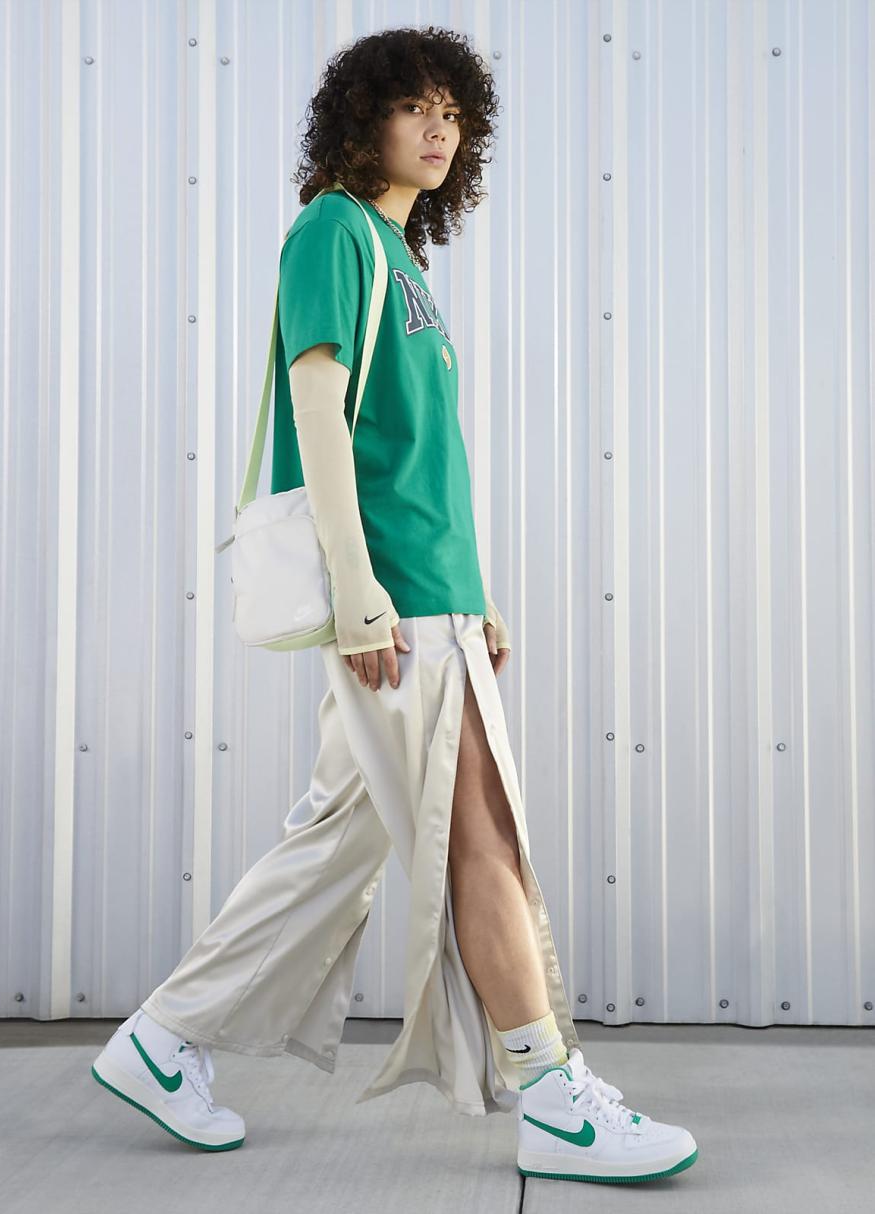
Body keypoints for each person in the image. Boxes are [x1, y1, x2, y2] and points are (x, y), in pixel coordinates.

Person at [90, 26, 698, 1184]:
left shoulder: (400, 257)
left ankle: (160, 1040)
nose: (437, 128)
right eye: (414, 106)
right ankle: (552, 1097)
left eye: (453, 114)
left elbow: (418, 455)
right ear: (361, 117)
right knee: (482, 838)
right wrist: (362, 587)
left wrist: (478, 591)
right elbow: (317, 409)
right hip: (395, 604)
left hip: (434, 594)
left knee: (336, 842)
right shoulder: (331, 229)